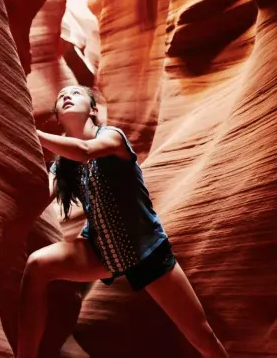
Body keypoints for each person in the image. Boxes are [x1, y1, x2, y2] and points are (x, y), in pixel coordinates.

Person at [16, 85, 228, 358]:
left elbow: (84, 150)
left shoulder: (112, 137)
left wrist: (33, 133)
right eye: (61, 97)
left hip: (145, 250)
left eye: (76, 93)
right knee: (37, 265)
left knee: (200, 333)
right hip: (99, 251)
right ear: (58, 115)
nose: (66, 96)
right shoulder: (62, 166)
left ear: (93, 110)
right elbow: (38, 199)